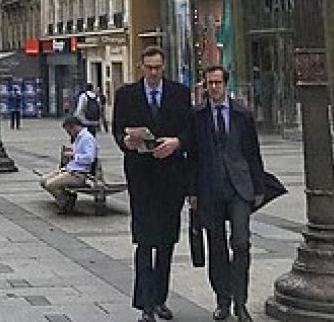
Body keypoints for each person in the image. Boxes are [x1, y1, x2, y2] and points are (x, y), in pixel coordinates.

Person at [112, 46, 191, 322]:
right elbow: (117, 128)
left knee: (167, 241)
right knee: (145, 241)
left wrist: (177, 142)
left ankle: (160, 299)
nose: (154, 72)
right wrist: (127, 141)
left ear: (164, 67)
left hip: (171, 177)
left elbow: (189, 129)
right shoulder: (126, 95)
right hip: (142, 176)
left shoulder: (180, 94)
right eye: (149, 68)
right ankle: (145, 303)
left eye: (158, 67)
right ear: (141, 67)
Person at [186, 66, 270, 322]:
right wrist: (191, 191)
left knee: (241, 243)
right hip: (209, 188)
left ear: (226, 85)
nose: (213, 88)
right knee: (217, 245)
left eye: (218, 83)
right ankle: (222, 300)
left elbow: (252, 152)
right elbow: (192, 156)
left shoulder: (242, 114)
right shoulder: (197, 115)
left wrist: (258, 187)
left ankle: (240, 301)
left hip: (239, 188)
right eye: (209, 83)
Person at [39, 116, 99, 214]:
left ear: (74, 127)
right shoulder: (78, 138)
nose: (69, 134)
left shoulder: (87, 138)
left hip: (78, 174)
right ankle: (67, 197)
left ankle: (66, 202)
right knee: (43, 180)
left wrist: (73, 155)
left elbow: (90, 158)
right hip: (70, 169)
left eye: (69, 131)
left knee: (50, 184)